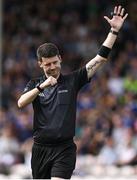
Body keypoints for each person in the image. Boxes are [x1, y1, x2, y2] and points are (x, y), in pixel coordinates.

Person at [18, 5, 128, 180]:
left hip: (64, 149)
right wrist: (42, 86)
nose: (52, 67)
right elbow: (21, 103)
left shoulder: (73, 80)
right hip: (40, 149)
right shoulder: (35, 84)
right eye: (48, 64)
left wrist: (113, 32)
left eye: (55, 62)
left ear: (60, 59)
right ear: (40, 64)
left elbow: (99, 59)